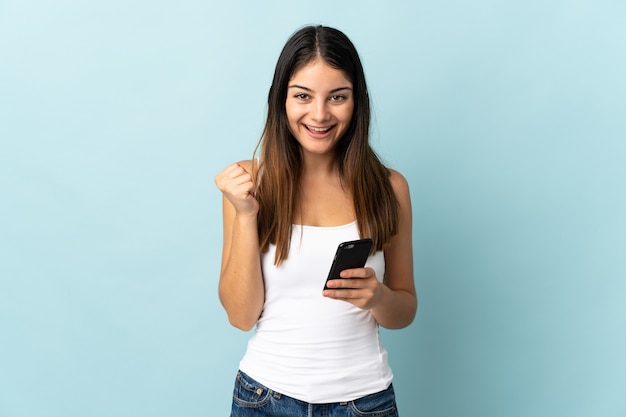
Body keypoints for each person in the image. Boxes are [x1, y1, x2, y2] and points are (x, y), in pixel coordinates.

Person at [215, 25, 417, 417]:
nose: (319, 114)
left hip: (365, 402)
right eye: (303, 96)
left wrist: (378, 298)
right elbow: (241, 316)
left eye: (337, 97)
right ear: (281, 100)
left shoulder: (390, 188)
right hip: (264, 399)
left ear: (356, 101)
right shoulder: (248, 183)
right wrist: (245, 214)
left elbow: (405, 309)